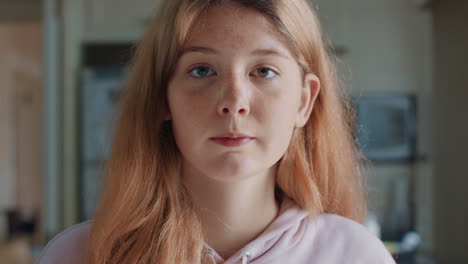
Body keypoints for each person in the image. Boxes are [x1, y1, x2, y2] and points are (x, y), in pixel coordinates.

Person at [38, 0, 396, 263]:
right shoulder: (77, 255)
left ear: (304, 101)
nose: (234, 102)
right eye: (202, 70)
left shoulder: (356, 255)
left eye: (264, 71)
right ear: (163, 97)